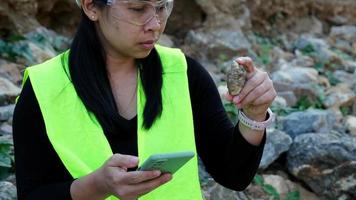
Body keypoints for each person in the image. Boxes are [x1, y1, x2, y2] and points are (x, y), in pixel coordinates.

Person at [12, 0, 277, 199]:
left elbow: (233, 174)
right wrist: (96, 186)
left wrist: (253, 116)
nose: (155, 24)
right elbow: (32, 195)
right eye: (138, 9)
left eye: (162, 7)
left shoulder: (183, 73)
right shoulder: (44, 87)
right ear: (91, 6)